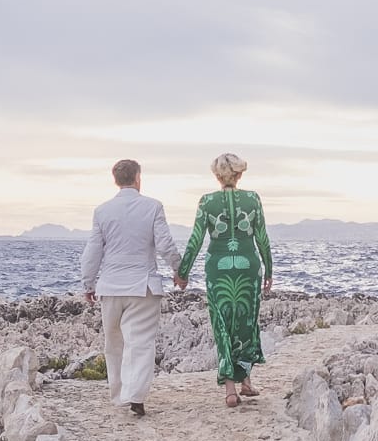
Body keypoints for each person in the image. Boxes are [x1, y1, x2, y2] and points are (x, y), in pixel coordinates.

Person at [80, 158, 181, 417]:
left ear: (115, 180)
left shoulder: (102, 211)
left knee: (114, 344)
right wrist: (179, 271)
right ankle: (135, 395)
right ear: (137, 178)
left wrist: (88, 282)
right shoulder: (153, 207)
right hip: (142, 286)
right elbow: (165, 245)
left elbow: (93, 251)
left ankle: (120, 394)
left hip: (111, 286)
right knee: (141, 343)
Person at [173, 152, 274, 409]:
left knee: (222, 324)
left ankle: (230, 389)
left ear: (217, 176)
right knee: (246, 321)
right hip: (248, 266)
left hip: (218, 268)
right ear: (239, 174)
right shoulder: (252, 199)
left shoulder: (207, 202)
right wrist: (269, 269)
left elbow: (196, 240)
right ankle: (247, 381)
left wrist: (182, 272)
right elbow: (262, 238)